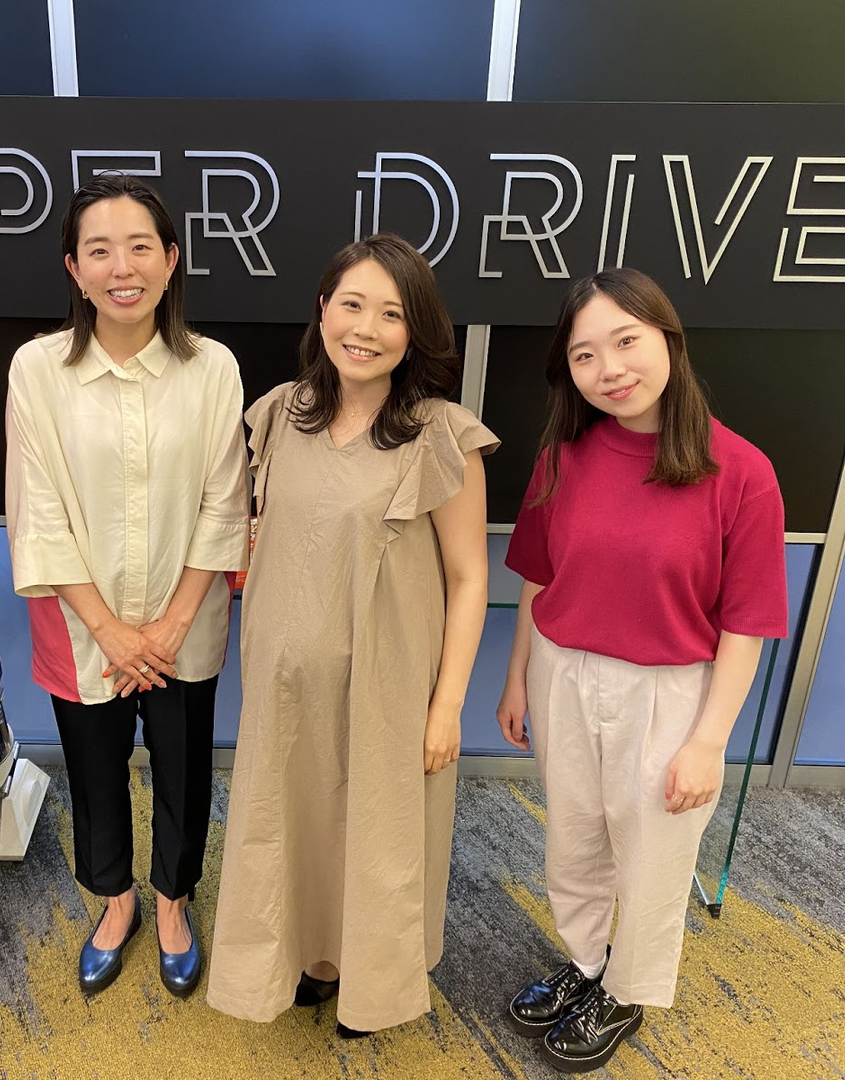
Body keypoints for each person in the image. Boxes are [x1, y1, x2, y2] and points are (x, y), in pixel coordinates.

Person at [497, 268, 788, 1073]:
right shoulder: (564, 456)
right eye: (585, 355)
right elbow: (539, 578)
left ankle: (627, 990)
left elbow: (747, 625)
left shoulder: (741, 472)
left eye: (626, 341)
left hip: (669, 692)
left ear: (669, 338)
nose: (610, 369)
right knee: (575, 838)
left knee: (655, 854)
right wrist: (518, 676)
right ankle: (586, 961)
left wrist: (708, 742)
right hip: (562, 673)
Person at [207, 233, 498, 1038]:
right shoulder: (278, 414)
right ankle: (313, 956)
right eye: (352, 305)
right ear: (323, 310)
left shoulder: (443, 436)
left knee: (376, 828)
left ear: (416, 331)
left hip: (389, 683)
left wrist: (448, 705)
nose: (366, 328)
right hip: (286, 684)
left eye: (391, 314)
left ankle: (371, 980)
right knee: (292, 818)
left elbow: (470, 578)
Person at [5, 174, 248, 998]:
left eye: (140, 246)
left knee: (183, 769)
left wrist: (170, 626)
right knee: (95, 771)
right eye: (100, 250)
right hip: (84, 630)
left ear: (171, 260)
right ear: (74, 270)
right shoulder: (38, 370)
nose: (122, 267)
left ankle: (173, 902)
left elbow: (225, 502)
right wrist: (110, 629)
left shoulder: (211, 368)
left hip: (187, 624)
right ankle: (116, 903)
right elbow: (38, 508)